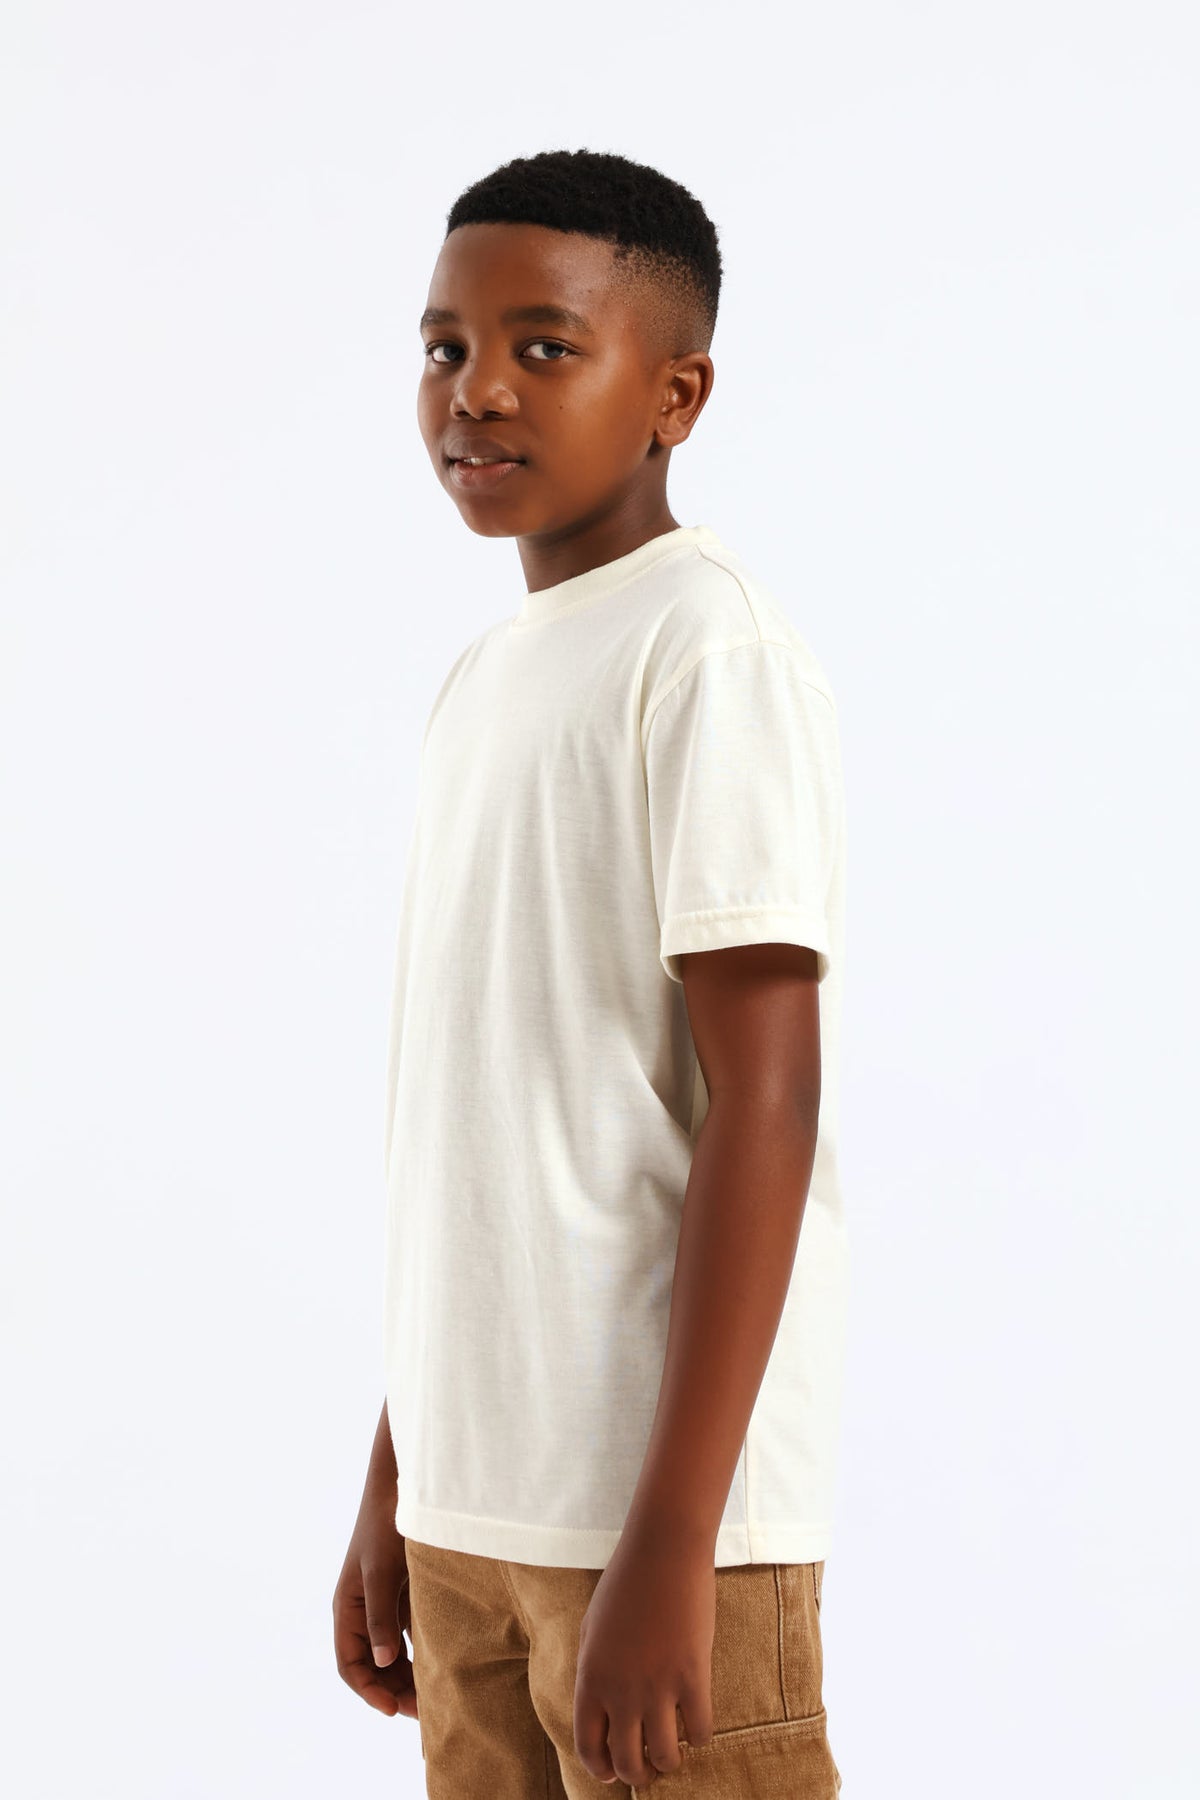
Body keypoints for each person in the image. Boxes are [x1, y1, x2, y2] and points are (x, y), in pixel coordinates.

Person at [333, 147, 848, 1799]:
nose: (475, 389)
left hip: (656, 1531)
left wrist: (676, 1537)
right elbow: (484, 1131)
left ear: (675, 396)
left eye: (543, 347)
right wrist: (400, 1483)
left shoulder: (706, 647)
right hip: (474, 1519)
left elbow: (766, 1104)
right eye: (445, 347)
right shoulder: (483, 682)